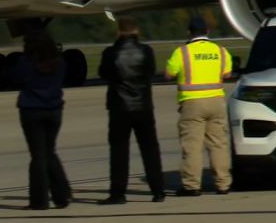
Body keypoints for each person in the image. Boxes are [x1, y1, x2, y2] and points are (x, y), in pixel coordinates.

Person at [97, 16, 165, 204]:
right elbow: (150, 72)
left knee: (119, 151)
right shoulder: (146, 51)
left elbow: (103, 73)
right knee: (150, 149)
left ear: (118, 32)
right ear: (137, 31)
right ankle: (158, 190)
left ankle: (118, 193)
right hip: (143, 105)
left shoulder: (110, 52)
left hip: (119, 106)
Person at [165, 17, 233, 196]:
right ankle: (223, 183)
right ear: (207, 32)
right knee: (218, 144)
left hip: (192, 102)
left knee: (192, 146)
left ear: (189, 32)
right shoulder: (220, 50)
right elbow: (227, 73)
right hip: (216, 101)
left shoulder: (182, 52)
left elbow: (169, 73)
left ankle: (192, 185)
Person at [14, 32, 72, 210]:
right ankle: (62, 196)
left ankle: (39, 200)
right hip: (54, 110)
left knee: (38, 156)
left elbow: (14, 78)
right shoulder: (59, 62)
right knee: (50, 152)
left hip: (32, 110)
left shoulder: (26, 63)